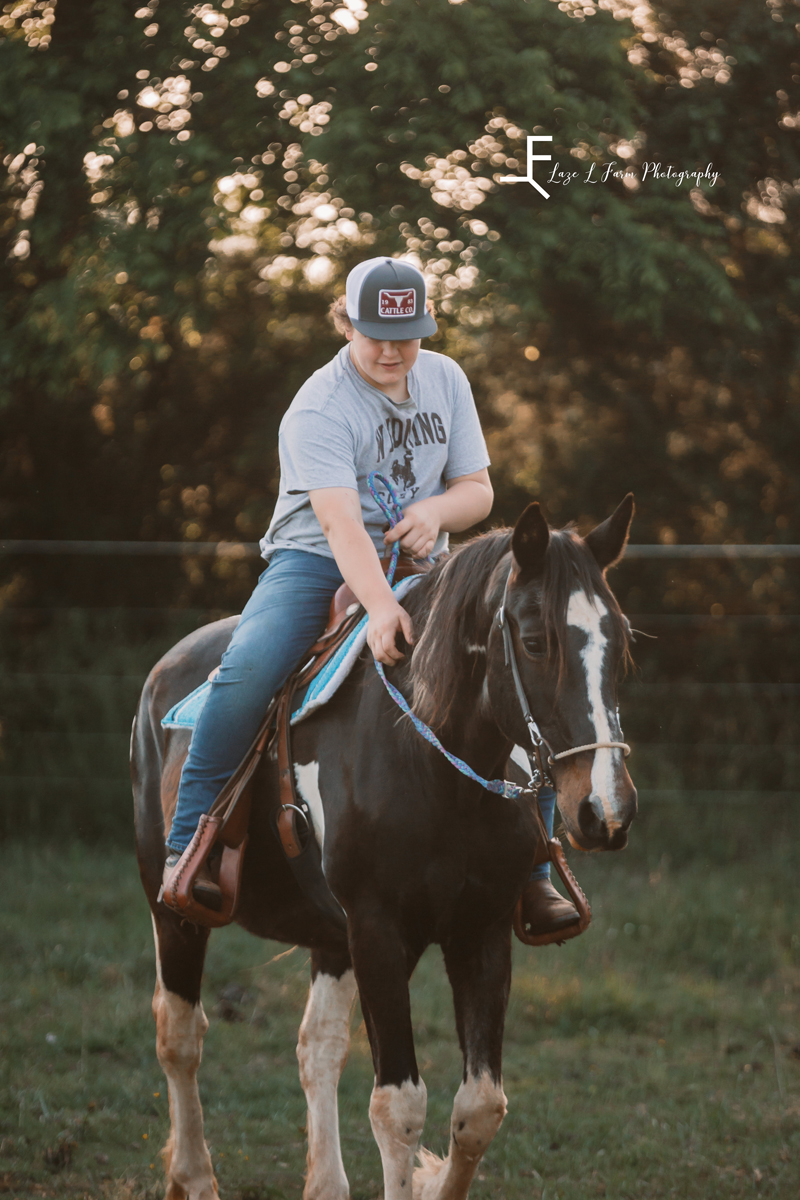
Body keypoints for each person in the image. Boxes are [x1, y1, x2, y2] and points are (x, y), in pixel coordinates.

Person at [162, 256, 578, 936]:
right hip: (318, 561)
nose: (391, 350)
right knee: (248, 670)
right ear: (346, 322)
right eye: (374, 334)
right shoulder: (320, 406)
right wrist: (381, 606)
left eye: (407, 334)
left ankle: (534, 865)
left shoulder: (444, 378)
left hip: (426, 562)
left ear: (425, 329)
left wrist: (438, 514)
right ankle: (192, 846)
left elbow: (479, 488)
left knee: (513, 660)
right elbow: (340, 521)